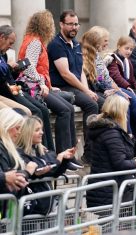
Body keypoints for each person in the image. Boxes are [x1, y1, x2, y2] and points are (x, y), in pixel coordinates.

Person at [17, 10, 77, 158]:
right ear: (45, 25)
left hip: (41, 86)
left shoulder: (31, 39)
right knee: (65, 110)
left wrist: (48, 84)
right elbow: (28, 67)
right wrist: (41, 82)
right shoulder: (35, 42)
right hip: (35, 88)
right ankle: (63, 153)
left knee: (69, 102)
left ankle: (70, 152)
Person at [47, 10, 100, 144]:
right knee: (91, 105)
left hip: (76, 86)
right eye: (70, 24)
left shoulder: (76, 44)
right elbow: (66, 74)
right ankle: (89, 152)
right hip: (63, 87)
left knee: (105, 103)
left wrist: (87, 90)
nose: (74, 27)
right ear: (61, 25)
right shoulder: (56, 45)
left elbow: (80, 71)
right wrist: (86, 92)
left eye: (76, 24)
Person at [1, 25, 55, 152]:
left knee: (43, 110)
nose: (11, 46)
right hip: (6, 91)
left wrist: (15, 69)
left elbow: (8, 76)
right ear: (2, 37)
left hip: (13, 88)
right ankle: (39, 151)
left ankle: (50, 151)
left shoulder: (3, 54)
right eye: (10, 43)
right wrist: (9, 67)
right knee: (32, 112)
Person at [85, 95, 136, 208]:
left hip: (105, 188)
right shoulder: (111, 133)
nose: (127, 115)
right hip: (110, 191)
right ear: (120, 111)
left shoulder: (105, 129)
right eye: (126, 111)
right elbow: (120, 163)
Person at [81, 26, 136, 135]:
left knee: (134, 99)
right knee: (123, 100)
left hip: (105, 87)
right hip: (98, 91)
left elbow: (104, 78)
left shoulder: (97, 56)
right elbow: (101, 79)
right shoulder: (88, 56)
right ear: (97, 40)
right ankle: (127, 134)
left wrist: (120, 89)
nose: (107, 43)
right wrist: (117, 90)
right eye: (105, 40)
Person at [15, 116, 76, 215]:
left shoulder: (40, 150)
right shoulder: (19, 153)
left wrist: (64, 159)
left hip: (46, 206)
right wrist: (57, 161)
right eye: (37, 130)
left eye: (41, 129)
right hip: (32, 208)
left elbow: (53, 172)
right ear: (27, 132)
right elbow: (39, 170)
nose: (42, 132)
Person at [0, 108, 32, 195]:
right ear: (6, 125)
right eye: (17, 128)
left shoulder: (9, 148)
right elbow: (7, 175)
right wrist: (27, 172)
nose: (19, 133)